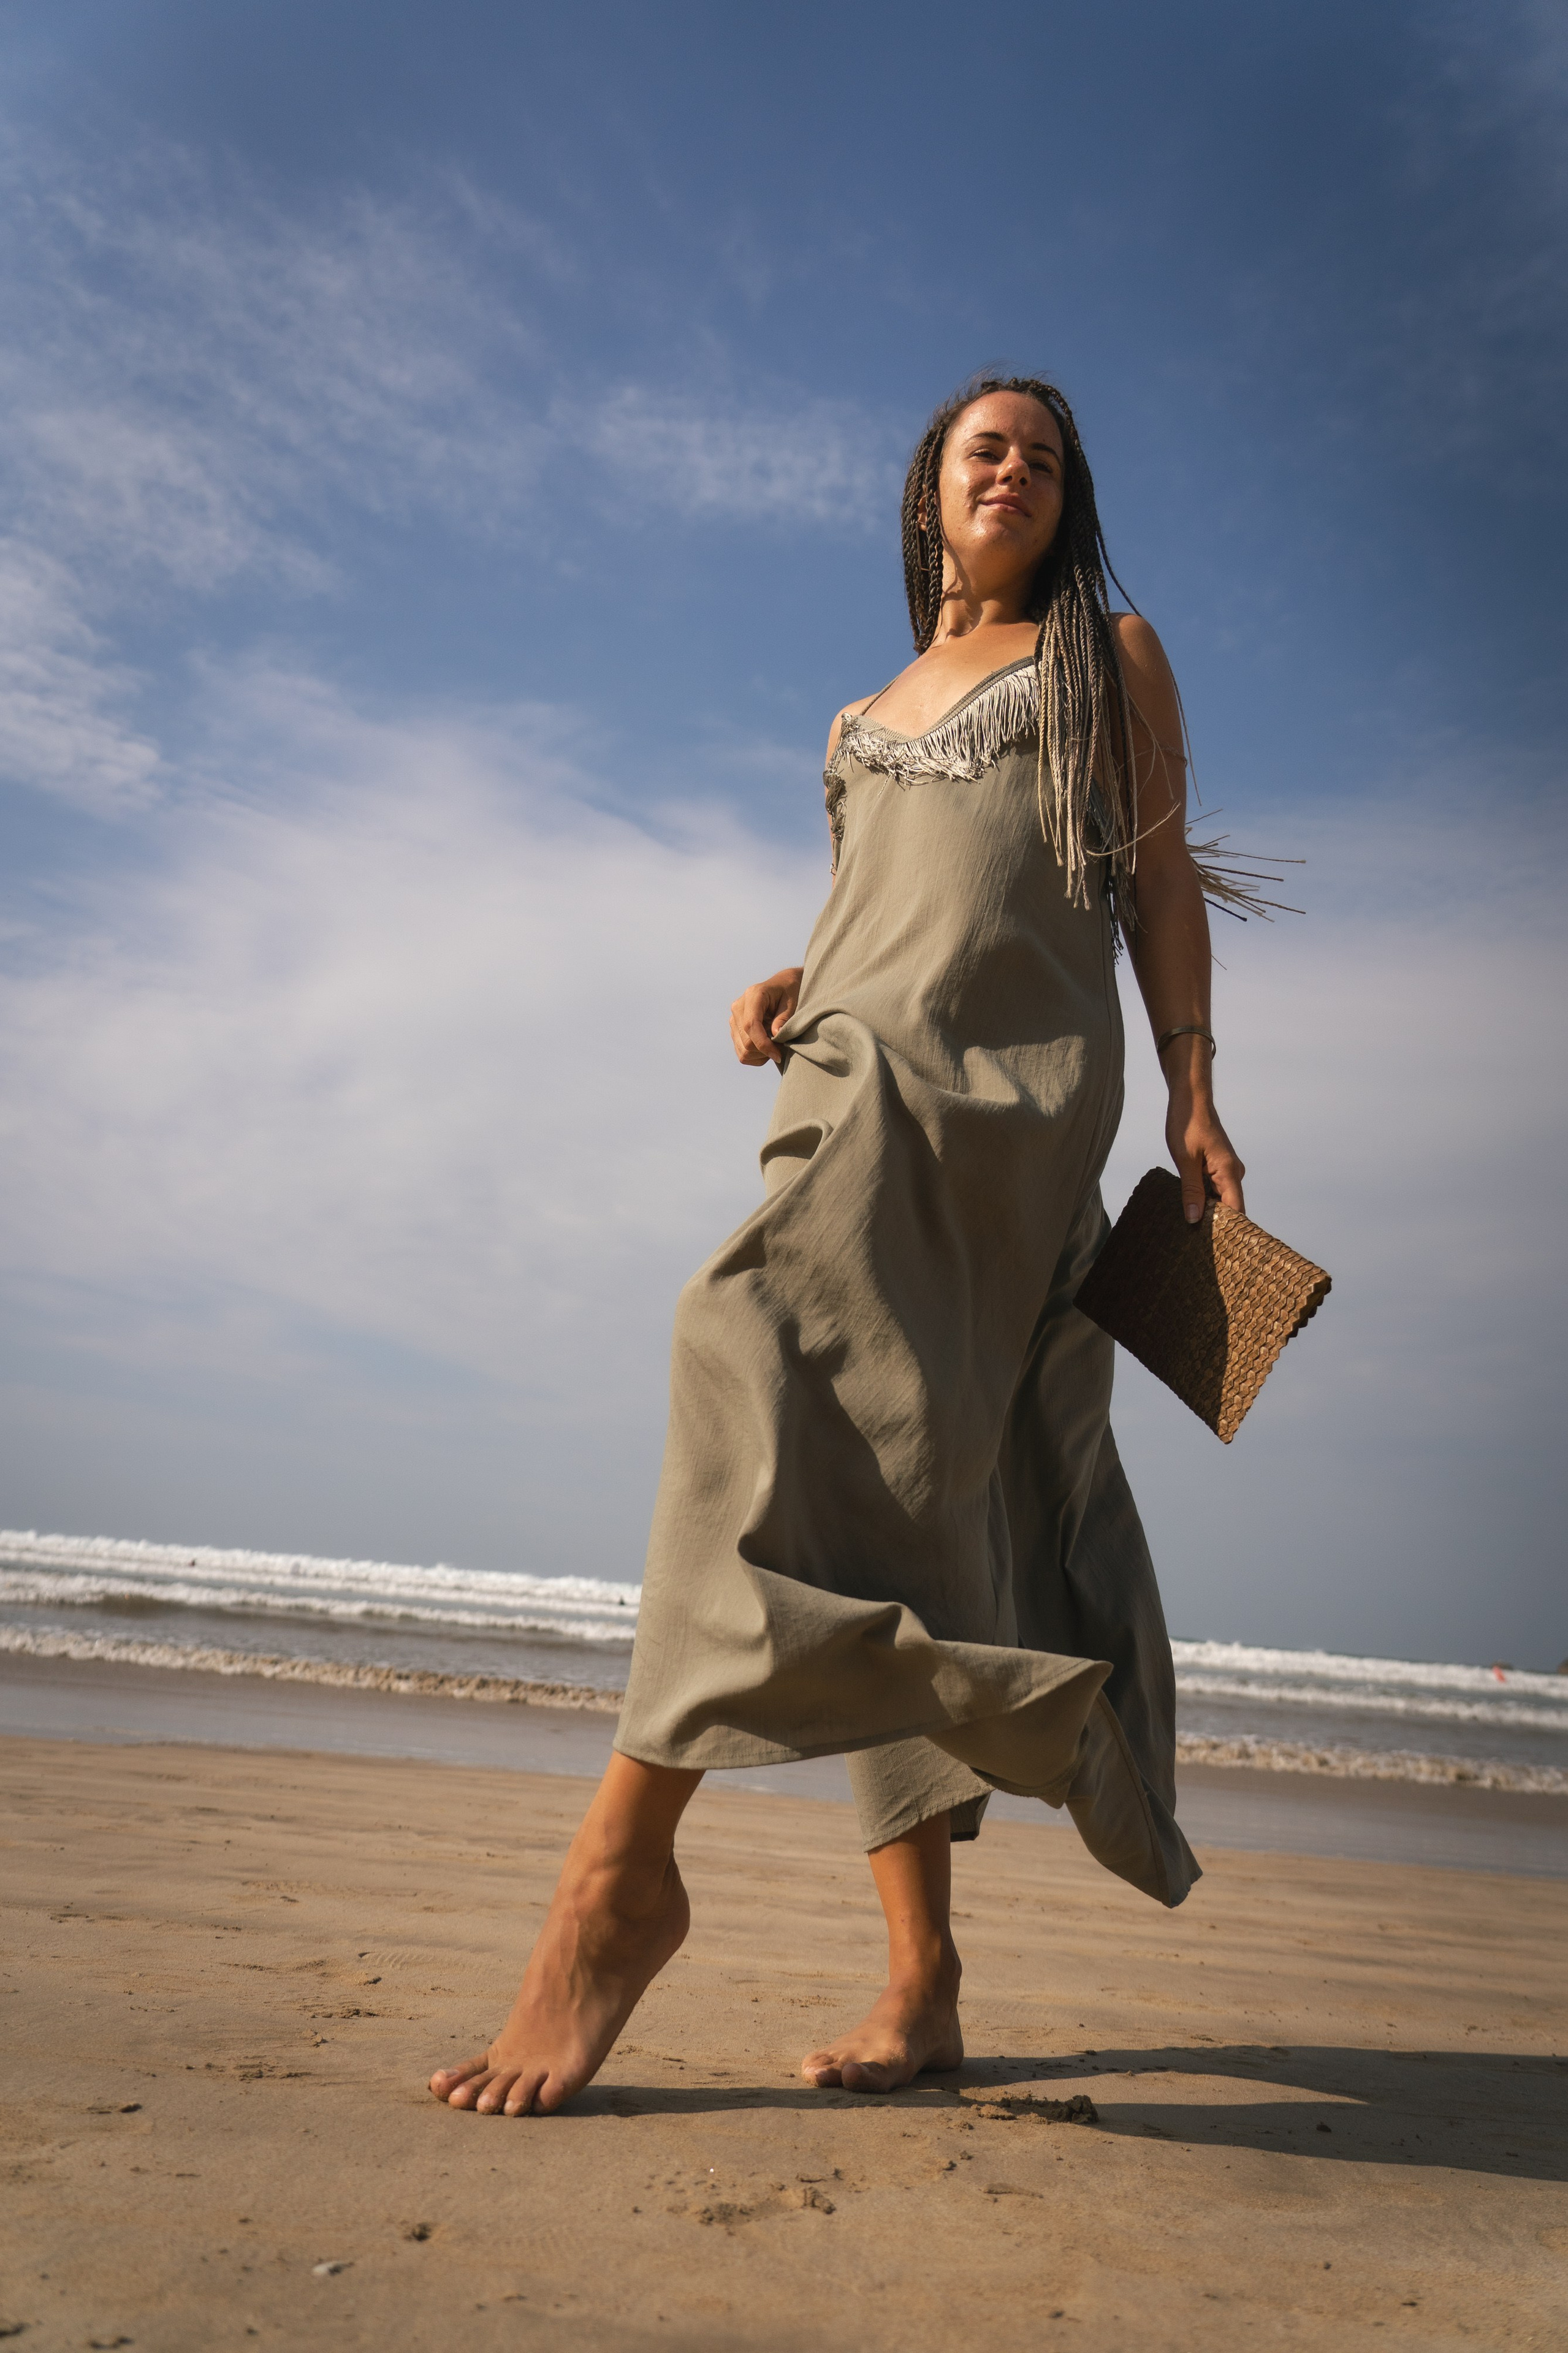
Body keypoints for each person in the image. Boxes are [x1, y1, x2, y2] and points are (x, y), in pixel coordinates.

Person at [430, 373, 1246, 2118]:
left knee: (747, 1335)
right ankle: (922, 1984)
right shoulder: (857, 714)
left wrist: (1192, 1087)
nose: (1013, 464)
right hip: (851, 1069)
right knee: (900, 1494)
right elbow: (885, 888)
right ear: (931, 497)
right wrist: (800, 974)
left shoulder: (1114, 655)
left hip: (1008, 1097)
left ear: (1064, 498)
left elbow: (1157, 881)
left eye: (1041, 452)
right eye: (983, 448)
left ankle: (615, 1881)